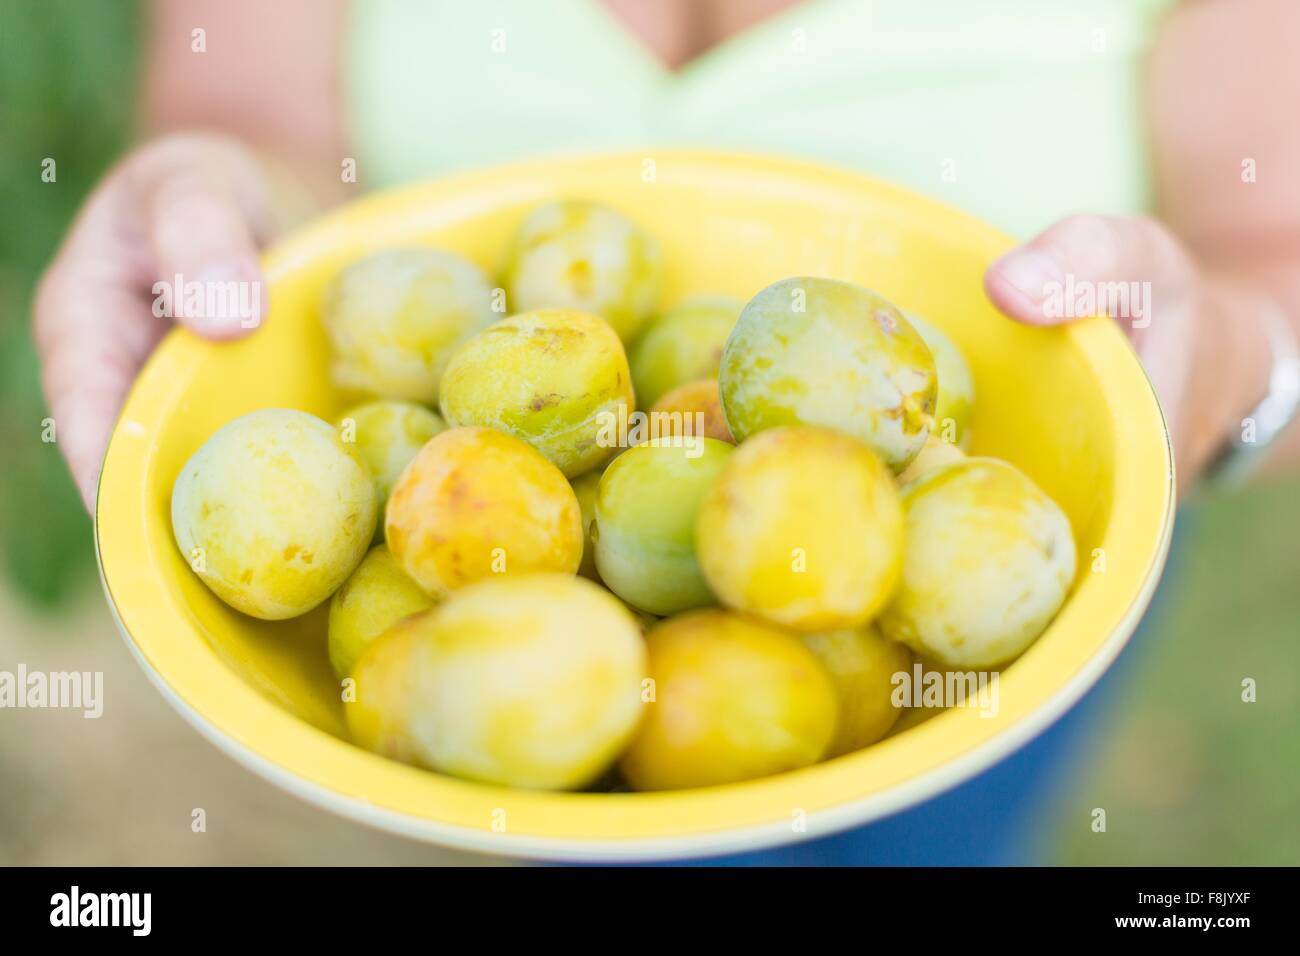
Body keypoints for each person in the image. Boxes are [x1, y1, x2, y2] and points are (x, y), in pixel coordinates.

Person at [31, 0, 1300, 862]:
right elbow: (253, 114)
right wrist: (212, 186)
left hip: (961, 677)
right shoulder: (472, 544)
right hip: (483, 725)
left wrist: (1232, 372)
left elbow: (1271, 251)